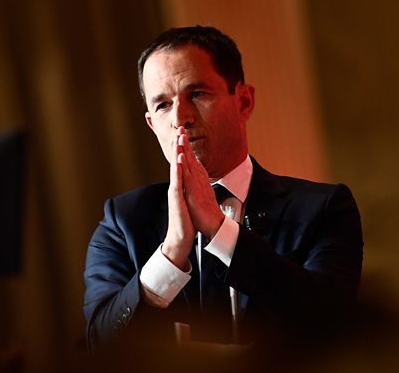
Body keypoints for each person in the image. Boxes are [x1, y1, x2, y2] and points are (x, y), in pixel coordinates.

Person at [83, 26, 363, 353]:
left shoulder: (324, 209)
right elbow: (100, 349)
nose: (180, 118)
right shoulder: (122, 221)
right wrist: (172, 252)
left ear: (243, 102)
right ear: (151, 124)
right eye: (163, 105)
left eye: (197, 94)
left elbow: (331, 327)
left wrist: (220, 231)